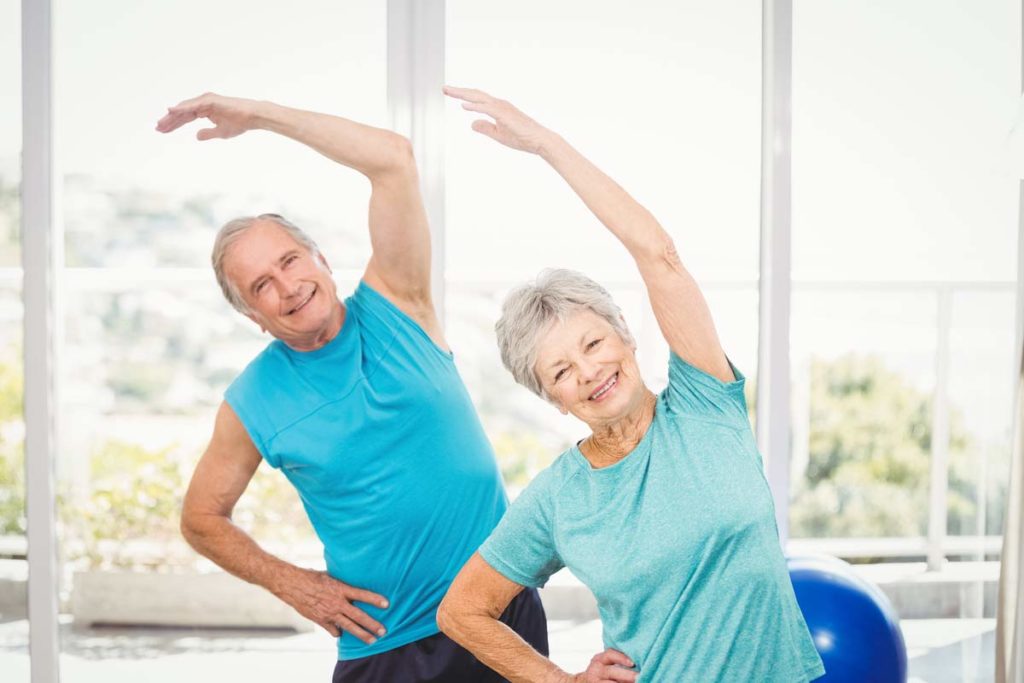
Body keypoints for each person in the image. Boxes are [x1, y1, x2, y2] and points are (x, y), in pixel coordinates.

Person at [155, 93, 550, 682]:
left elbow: (392, 159)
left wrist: (261, 117)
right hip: (388, 645)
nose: (287, 287)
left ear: (320, 257)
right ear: (250, 316)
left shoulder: (399, 301)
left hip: (499, 610)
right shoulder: (253, 401)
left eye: (290, 261)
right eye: (261, 286)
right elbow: (201, 518)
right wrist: (296, 585)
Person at [436, 87, 826, 683]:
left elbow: (659, 254)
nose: (588, 371)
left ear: (626, 336)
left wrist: (546, 146)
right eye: (561, 371)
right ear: (553, 400)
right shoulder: (559, 499)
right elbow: (462, 612)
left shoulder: (704, 403)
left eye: (593, 344)